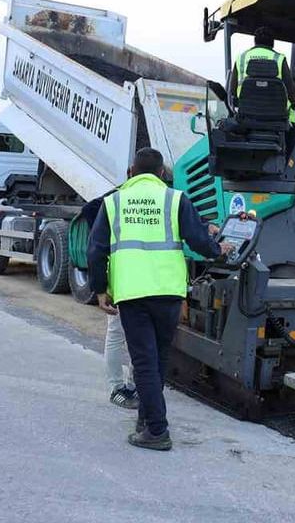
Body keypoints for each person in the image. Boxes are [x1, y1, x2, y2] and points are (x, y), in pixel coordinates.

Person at [87, 148, 233, 451]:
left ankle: (157, 430)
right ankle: (146, 419)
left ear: (130, 172)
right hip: (168, 292)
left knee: (143, 362)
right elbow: (198, 240)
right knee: (158, 360)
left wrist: (100, 290)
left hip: (133, 293)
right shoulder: (175, 199)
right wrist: (219, 250)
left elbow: (96, 249)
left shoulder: (113, 202)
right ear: (163, 174)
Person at [227, 26, 295, 121]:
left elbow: (232, 91)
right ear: (272, 43)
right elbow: (291, 93)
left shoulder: (241, 58)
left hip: (246, 117)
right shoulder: (280, 59)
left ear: (255, 41)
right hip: (276, 118)